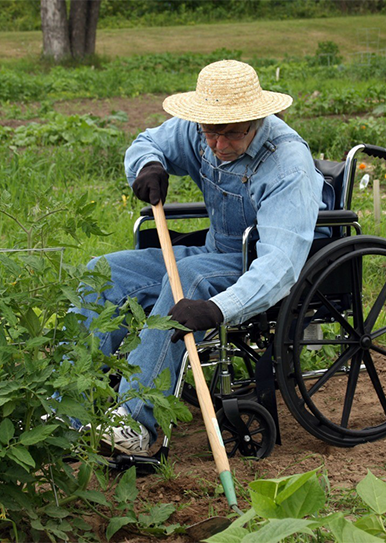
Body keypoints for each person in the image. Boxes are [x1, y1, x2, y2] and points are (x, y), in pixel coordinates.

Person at [79, 59, 334, 455]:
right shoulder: (201, 130)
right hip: (216, 250)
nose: (217, 145)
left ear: (257, 119)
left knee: (189, 277)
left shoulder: (287, 165)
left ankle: (135, 425)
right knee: (103, 272)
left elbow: (280, 265)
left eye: (231, 135)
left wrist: (218, 310)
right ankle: (69, 406)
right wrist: (147, 165)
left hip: (259, 262)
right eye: (210, 133)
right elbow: (147, 142)